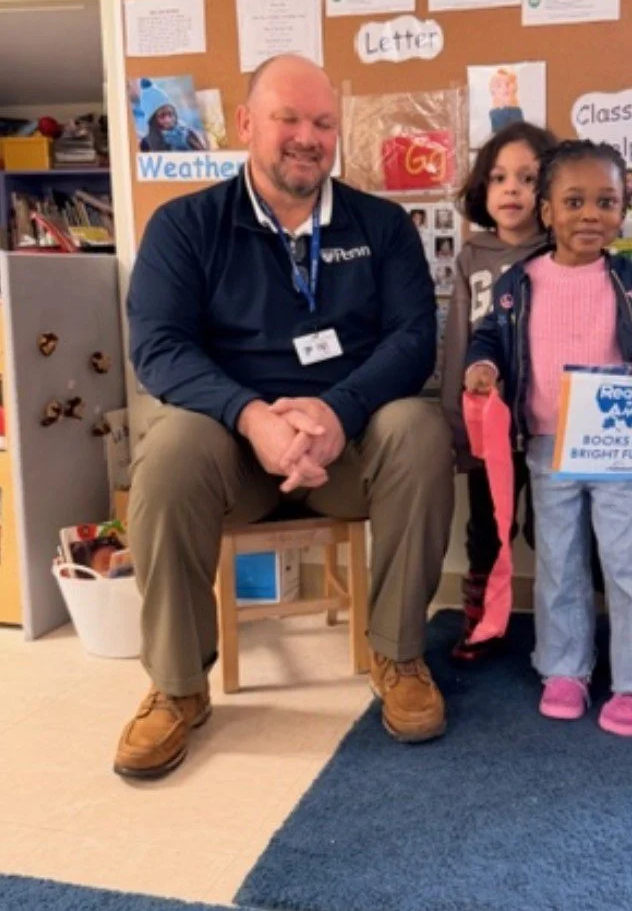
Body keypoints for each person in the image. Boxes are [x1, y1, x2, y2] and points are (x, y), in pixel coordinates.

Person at [117, 54, 454, 780]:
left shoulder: (383, 226)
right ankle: (177, 687)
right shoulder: (183, 227)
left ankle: (397, 654)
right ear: (245, 124)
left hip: (350, 448)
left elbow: (413, 337)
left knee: (421, 431)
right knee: (169, 450)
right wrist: (250, 417)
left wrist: (339, 410)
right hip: (231, 451)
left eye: (323, 122)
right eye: (288, 119)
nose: (307, 136)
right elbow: (158, 346)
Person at [464, 140, 632, 736]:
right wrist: (482, 369)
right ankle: (563, 668)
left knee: (630, 564)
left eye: (606, 202)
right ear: (547, 211)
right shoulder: (518, 283)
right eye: (575, 201)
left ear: (623, 209)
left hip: (618, 447)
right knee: (558, 562)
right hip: (545, 445)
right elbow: (487, 339)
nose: (591, 215)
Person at [440, 122, 556, 661]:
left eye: (528, 178)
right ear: (483, 190)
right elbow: (460, 336)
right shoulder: (472, 256)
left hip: (549, 417)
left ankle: (563, 624)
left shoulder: (563, 251)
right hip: (489, 420)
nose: (512, 189)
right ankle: (482, 620)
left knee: (552, 522)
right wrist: (457, 419)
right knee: (487, 526)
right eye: (499, 177)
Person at [137, 79, 206, 153]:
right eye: (162, 116)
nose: (168, 120)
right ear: (153, 120)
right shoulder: (146, 144)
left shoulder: (189, 133)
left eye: (170, 114)